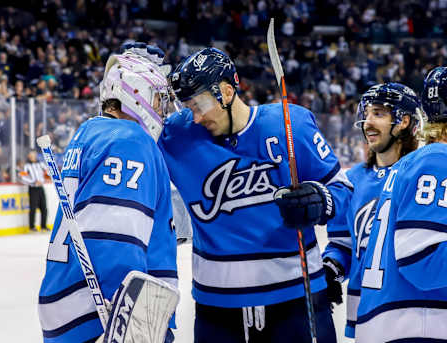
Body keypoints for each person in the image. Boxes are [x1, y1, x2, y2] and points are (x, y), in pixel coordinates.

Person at [159, 47, 352, 343]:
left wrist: (319, 199)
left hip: (296, 302)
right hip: (217, 311)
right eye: (188, 108)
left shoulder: (292, 124)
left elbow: (343, 192)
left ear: (225, 92)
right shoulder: (177, 135)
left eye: (199, 105)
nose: (194, 117)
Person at [37, 50, 178, 342]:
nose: (160, 108)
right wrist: (134, 321)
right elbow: (114, 241)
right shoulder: (130, 140)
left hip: (66, 301)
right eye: (156, 98)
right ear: (136, 93)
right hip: (102, 315)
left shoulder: (90, 131)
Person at [322, 83, 422, 338]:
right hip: (364, 313)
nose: (367, 122)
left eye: (378, 113)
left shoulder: (421, 176)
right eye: (366, 113)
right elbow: (343, 244)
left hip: (415, 312)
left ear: (403, 121)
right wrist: (331, 270)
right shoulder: (351, 181)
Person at [355, 67, 447, 342]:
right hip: (415, 325)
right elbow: (422, 260)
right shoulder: (438, 160)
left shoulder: (420, 160)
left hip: (399, 322)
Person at [20, 149, 49, 232]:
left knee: (44, 207)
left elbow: (47, 173)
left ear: (36, 155)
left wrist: (43, 180)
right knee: (33, 208)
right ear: (29, 156)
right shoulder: (26, 166)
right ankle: (32, 227)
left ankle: (43, 226)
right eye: (30, 154)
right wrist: (33, 182)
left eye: (33, 154)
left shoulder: (41, 164)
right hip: (33, 189)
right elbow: (22, 177)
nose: (32, 156)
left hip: (40, 188)